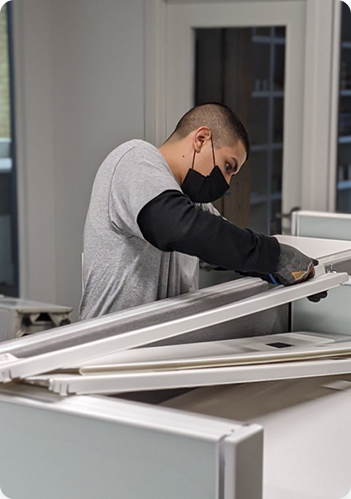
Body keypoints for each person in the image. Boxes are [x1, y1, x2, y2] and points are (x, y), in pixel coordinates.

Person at [79, 103, 318, 320]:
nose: (226, 183)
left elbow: (225, 247)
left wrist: (284, 271)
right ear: (201, 139)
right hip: (107, 352)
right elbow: (180, 229)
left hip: (153, 352)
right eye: (227, 166)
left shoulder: (187, 201)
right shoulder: (135, 159)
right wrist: (274, 254)